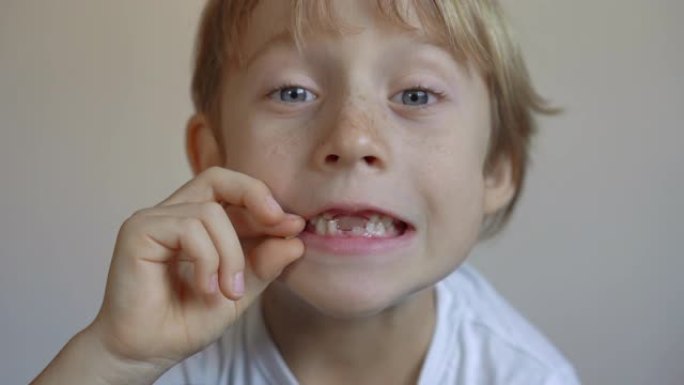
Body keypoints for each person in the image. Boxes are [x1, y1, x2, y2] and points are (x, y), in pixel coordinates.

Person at [31, 0, 581, 384]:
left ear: (495, 169)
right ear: (213, 157)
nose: (352, 137)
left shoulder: (528, 376)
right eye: (292, 91)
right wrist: (112, 360)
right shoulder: (165, 354)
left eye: (416, 94)